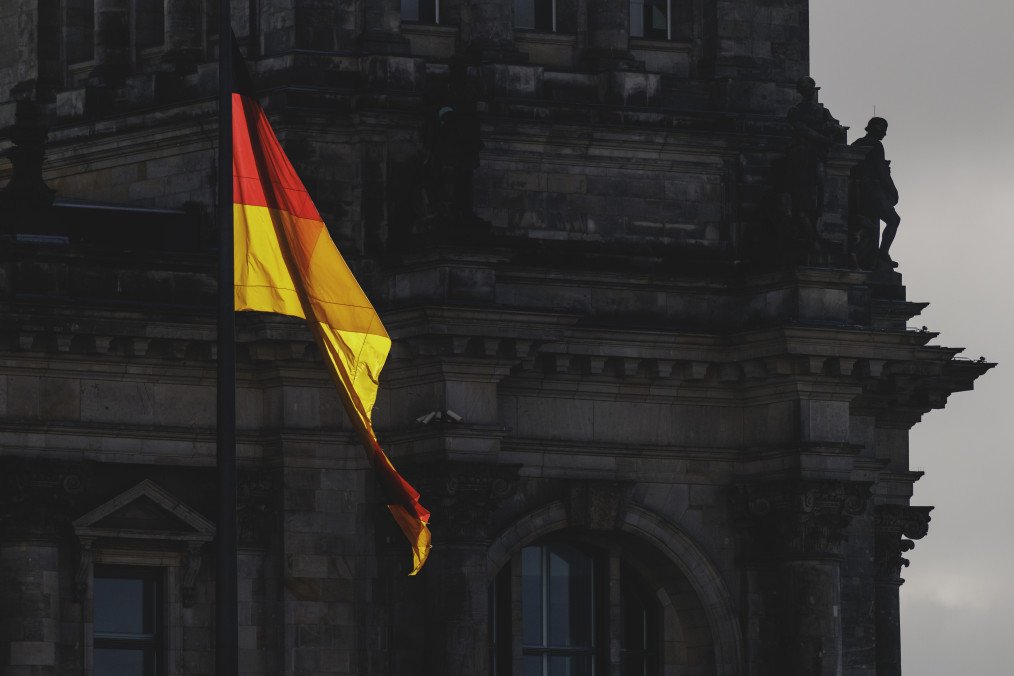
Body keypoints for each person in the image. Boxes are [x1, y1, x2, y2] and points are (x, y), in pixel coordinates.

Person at [850, 117, 900, 269]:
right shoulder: (876, 145)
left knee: (869, 227)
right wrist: (893, 190)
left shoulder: (856, 143)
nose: (884, 134)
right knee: (893, 220)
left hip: (859, 191)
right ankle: (883, 253)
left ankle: (868, 257)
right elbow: (881, 172)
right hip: (872, 190)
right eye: (883, 130)